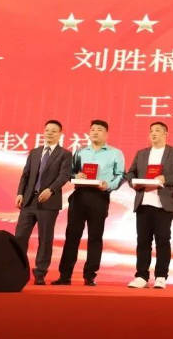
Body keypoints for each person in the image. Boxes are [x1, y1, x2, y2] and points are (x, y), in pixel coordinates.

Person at [54, 120, 124, 286]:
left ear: (106, 134)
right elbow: (69, 173)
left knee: (95, 237)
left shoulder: (115, 153)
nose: (95, 132)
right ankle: (65, 275)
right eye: (92, 130)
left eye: (99, 130)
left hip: (99, 196)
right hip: (79, 196)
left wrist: (109, 185)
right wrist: (75, 176)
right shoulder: (80, 152)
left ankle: (90, 275)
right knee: (72, 236)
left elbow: (121, 175)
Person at [122, 122, 173, 289]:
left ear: (166, 134)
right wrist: (134, 183)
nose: (153, 134)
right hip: (144, 202)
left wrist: (166, 179)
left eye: (158, 131)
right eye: (151, 131)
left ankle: (161, 276)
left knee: (163, 240)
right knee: (143, 241)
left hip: (164, 204)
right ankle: (141, 276)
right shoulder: (142, 153)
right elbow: (130, 173)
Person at [13, 119, 73, 285]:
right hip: (29, 202)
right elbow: (25, 175)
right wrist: (20, 193)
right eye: (47, 130)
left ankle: (40, 273)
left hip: (48, 203)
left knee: (45, 239)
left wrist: (51, 190)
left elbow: (64, 176)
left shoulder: (65, 154)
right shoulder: (35, 152)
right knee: (20, 237)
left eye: (54, 131)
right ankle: (18, 270)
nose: (49, 133)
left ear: (60, 134)